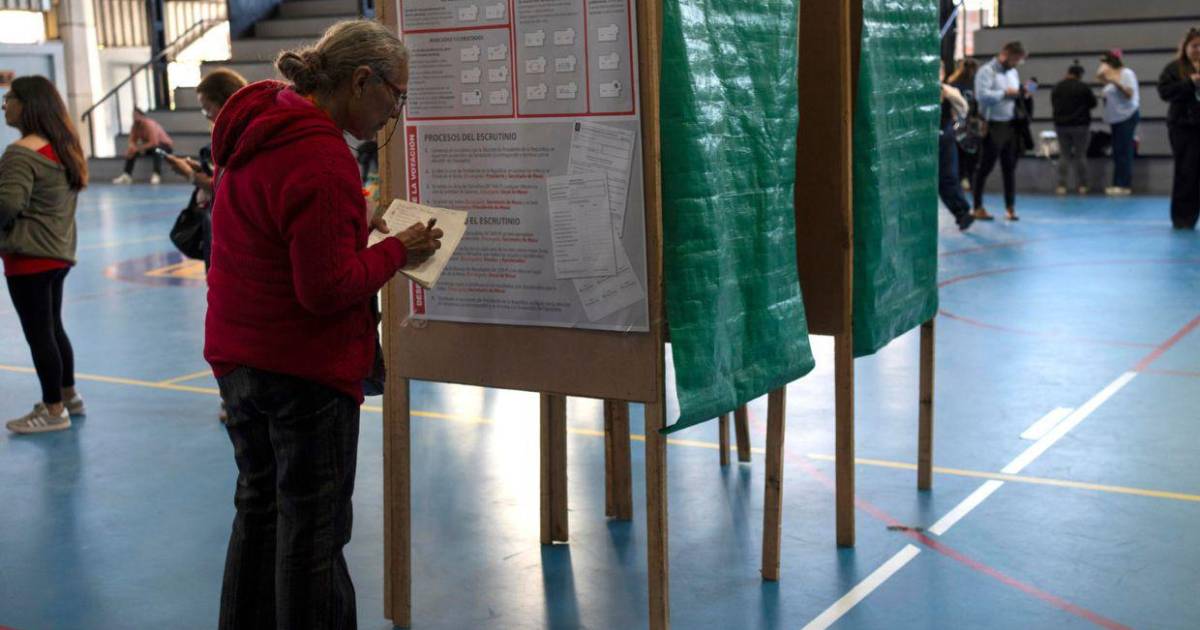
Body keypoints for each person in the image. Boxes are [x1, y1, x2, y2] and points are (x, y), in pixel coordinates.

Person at [204, 20, 442, 629]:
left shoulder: (261, 124)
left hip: (238, 356)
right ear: (361, 81)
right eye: (395, 95)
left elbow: (279, 233)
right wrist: (398, 249)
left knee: (258, 512)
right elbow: (327, 290)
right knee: (314, 533)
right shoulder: (321, 155)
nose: (394, 111)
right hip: (302, 371)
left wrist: (350, 224)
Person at [0, 76, 88, 434]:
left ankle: (53, 411)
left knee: (39, 334)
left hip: (29, 256)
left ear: (27, 105)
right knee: (52, 327)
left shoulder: (20, 153)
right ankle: (68, 396)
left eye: (9, 98)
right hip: (58, 252)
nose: (4, 105)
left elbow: (7, 205)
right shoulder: (62, 147)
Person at [164, 68, 248, 268]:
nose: (207, 116)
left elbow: (230, 188)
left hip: (238, 236)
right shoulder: (228, 135)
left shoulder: (241, 136)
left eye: (208, 108)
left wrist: (191, 175)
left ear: (225, 102)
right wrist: (202, 172)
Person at [973, 41, 1029, 221]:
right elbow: (982, 96)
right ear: (1005, 54)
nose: (1016, 64)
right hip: (992, 125)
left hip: (1010, 125)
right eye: (1015, 60)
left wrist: (1022, 93)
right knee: (985, 167)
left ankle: (1010, 208)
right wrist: (1004, 93)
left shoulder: (1013, 72)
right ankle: (977, 207)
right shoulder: (986, 71)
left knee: (1009, 168)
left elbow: (1014, 93)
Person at [1158, 28, 1200, 230]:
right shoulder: (1174, 68)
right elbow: (1164, 92)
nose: (1198, 50)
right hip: (1183, 127)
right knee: (1186, 171)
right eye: (1194, 46)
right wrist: (1189, 83)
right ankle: (1183, 218)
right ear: (1185, 47)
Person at [1050, 61, 1097, 195]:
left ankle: (1061, 186)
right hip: (1080, 125)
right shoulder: (1083, 87)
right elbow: (1093, 104)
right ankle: (1082, 186)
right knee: (1080, 155)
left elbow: (1053, 103)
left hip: (1061, 125)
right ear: (1080, 75)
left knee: (1064, 155)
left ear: (1068, 73)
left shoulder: (1057, 87)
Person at [1098, 50, 1140, 195]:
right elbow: (1100, 78)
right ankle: (1117, 183)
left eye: (1105, 63)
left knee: (1124, 151)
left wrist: (1115, 82)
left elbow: (1129, 94)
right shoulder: (1112, 77)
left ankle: (1124, 185)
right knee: (1117, 152)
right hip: (1116, 118)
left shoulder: (1126, 73)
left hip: (1126, 116)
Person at [939, 61, 975, 231]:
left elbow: (963, 109)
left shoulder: (948, 90)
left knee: (948, 177)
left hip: (944, 137)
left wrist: (949, 95)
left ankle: (962, 213)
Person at [112, 107, 174, 184]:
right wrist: (132, 147)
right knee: (133, 150)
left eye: (136, 115)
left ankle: (156, 174)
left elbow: (154, 142)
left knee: (157, 150)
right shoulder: (135, 126)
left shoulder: (149, 124)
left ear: (142, 116)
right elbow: (132, 141)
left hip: (165, 146)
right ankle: (127, 175)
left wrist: (138, 148)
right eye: (133, 115)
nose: (134, 117)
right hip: (150, 147)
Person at [947, 57, 980, 190]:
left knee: (960, 155)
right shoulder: (970, 85)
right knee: (967, 155)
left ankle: (962, 178)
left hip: (961, 124)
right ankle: (965, 178)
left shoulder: (954, 84)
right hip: (965, 124)